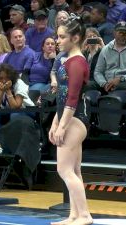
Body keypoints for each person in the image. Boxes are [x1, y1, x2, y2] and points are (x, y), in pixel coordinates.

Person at [49, 19, 93, 225]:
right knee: (74, 170)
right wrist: (54, 123)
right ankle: (75, 215)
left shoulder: (77, 62)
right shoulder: (68, 60)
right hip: (68, 117)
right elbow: (62, 97)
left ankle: (84, 215)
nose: (58, 41)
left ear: (75, 38)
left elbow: (72, 98)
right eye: (58, 36)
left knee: (64, 169)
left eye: (62, 37)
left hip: (75, 118)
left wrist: (63, 126)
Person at [0, 63, 34, 143]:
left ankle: (15, 143)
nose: (4, 81)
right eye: (1, 78)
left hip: (27, 110)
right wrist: (1, 91)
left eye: (7, 78)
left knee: (15, 114)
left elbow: (16, 107)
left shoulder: (19, 83)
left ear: (11, 77)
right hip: (8, 111)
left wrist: (8, 90)